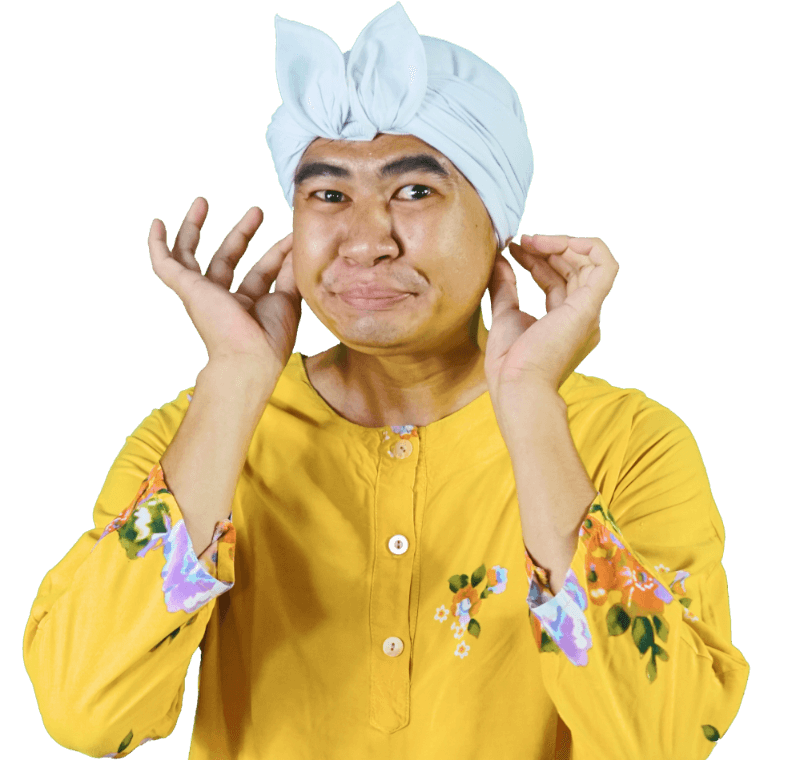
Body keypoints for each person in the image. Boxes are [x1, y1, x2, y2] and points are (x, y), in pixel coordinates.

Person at [22, 4, 749, 759]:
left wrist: (532, 404)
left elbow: (664, 741)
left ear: (499, 224)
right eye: (328, 195)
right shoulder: (196, 432)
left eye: (414, 192)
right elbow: (86, 715)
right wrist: (235, 378)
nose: (365, 242)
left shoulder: (631, 444)